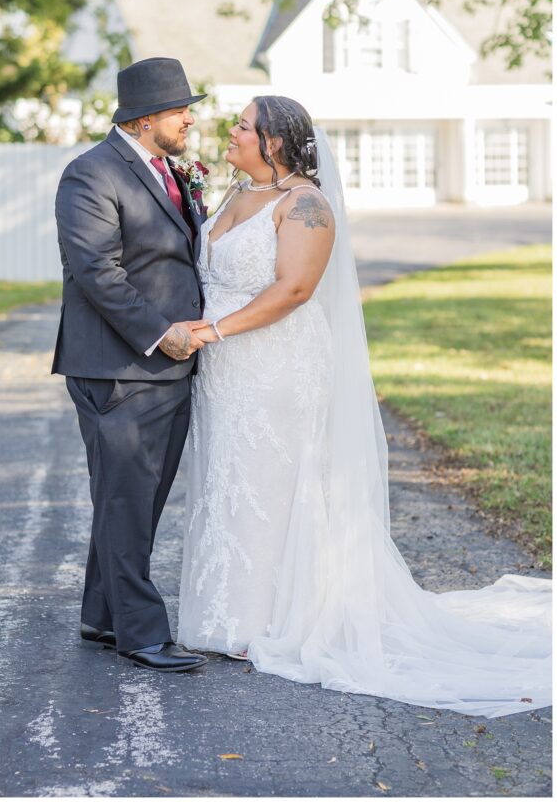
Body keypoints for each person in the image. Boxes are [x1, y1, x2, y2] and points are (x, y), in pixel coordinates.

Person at [177, 94, 552, 717]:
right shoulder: (233, 196)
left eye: (243, 125)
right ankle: (225, 612)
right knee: (229, 481)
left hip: (275, 364)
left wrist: (212, 331)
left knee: (274, 484)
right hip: (225, 371)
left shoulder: (306, 205)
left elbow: (294, 289)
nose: (232, 132)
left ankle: (272, 621)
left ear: (273, 141)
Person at [53, 56, 209, 673]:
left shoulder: (169, 171)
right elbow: (96, 271)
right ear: (146, 119)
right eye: (180, 110)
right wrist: (159, 334)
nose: (190, 120)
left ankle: (102, 614)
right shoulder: (89, 174)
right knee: (125, 499)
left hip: (169, 367)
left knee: (136, 500)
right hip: (119, 369)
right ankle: (141, 634)